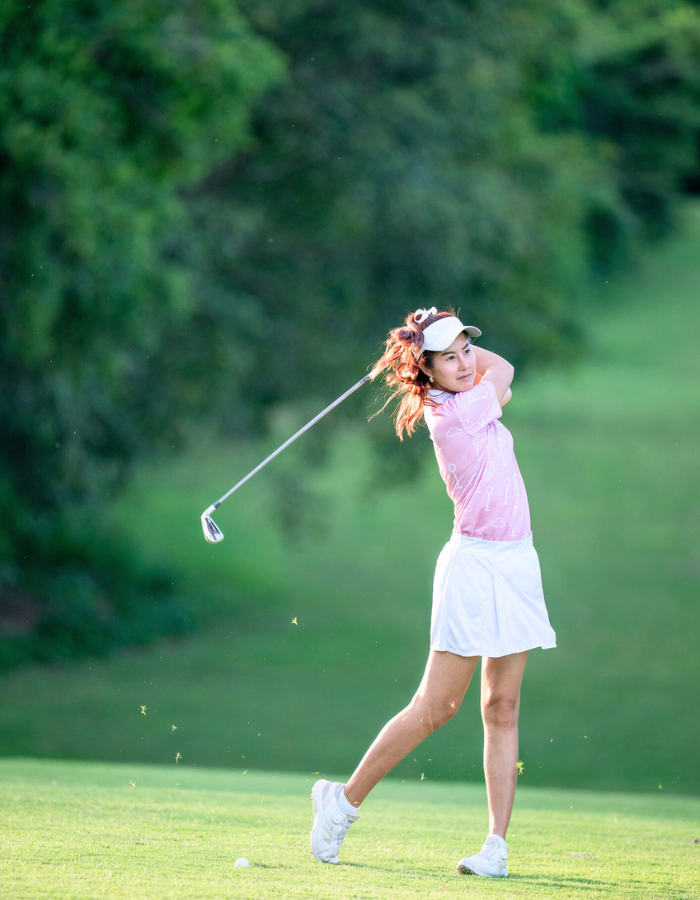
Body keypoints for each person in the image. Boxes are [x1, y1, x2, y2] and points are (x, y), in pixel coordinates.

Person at [309, 307, 557, 877]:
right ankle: (340, 804)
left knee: (502, 706)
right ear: (427, 372)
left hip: (516, 562)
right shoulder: (451, 416)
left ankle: (495, 845)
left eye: (467, 349)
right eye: (450, 357)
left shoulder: (469, 394)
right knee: (436, 708)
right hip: (472, 567)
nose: (467, 362)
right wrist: (425, 341)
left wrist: (440, 325)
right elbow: (507, 367)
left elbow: (495, 367)